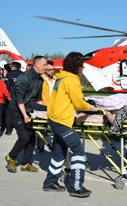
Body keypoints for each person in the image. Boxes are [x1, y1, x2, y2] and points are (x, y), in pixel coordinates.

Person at [43, 52, 96, 198]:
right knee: (78, 150)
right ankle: (76, 187)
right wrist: (91, 108)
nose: (83, 67)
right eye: (81, 64)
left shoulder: (61, 78)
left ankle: (50, 182)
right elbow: (79, 102)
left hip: (54, 118)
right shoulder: (72, 80)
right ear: (76, 65)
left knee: (60, 151)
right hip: (61, 121)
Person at [5, 56, 47, 173]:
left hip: (28, 110)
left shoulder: (40, 80)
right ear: (37, 65)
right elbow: (19, 99)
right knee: (24, 137)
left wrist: (42, 113)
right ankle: (11, 157)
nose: (46, 67)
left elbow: (38, 99)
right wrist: (25, 115)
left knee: (32, 137)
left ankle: (26, 163)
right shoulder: (24, 77)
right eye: (44, 65)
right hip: (16, 110)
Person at [37, 60, 56, 154]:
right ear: (45, 70)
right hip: (43, 106)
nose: (52, 71)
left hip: (54, 107)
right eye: (49, 70)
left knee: (56, 128)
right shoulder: (40, 79)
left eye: (53, 69)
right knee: (41, 127)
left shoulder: (56, 79)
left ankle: (55, 148)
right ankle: (40, 148)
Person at [4, 62, 22, 135]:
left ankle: (9, 129)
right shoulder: (23, 74)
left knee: (9, 112)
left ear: (12, 67)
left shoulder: (10, 74)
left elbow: (7, 86)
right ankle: (20, 128)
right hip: (21, 94)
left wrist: (6, 97)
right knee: (20, 111)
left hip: (11, 94)